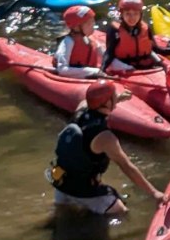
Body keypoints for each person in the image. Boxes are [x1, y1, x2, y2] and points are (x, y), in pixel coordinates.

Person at [47, 80, 163, 215]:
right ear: (108, 102)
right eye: (114, 95)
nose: (116, 96)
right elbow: (127, 167)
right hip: (83, 191)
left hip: (60, 183)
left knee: (63, 215)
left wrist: (118, 99)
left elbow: (94, 103)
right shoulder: (105, 137)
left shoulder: (81, 108)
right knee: (121, 212)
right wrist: (154, 193)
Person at [103, 0, 170, 73]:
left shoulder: (145, 28)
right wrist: (102, 70)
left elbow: (156, 49)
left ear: (140, 14)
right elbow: (109, 53)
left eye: (135, 14)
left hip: (144, 65)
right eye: (128, 14)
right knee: (121, 65)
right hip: (125, 66)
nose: (132, 18)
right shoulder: (115, 30)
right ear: (122, 15)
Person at [53, 6, 105, 79]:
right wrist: (94, 71)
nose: (93, 25)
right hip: (75, 77)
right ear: (76, 27)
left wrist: (125, 67)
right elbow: (62, 69)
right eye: (89, 24)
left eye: (93, 21)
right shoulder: (68, 42)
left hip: (90, 74)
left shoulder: (91, 40)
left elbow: (107, 57)